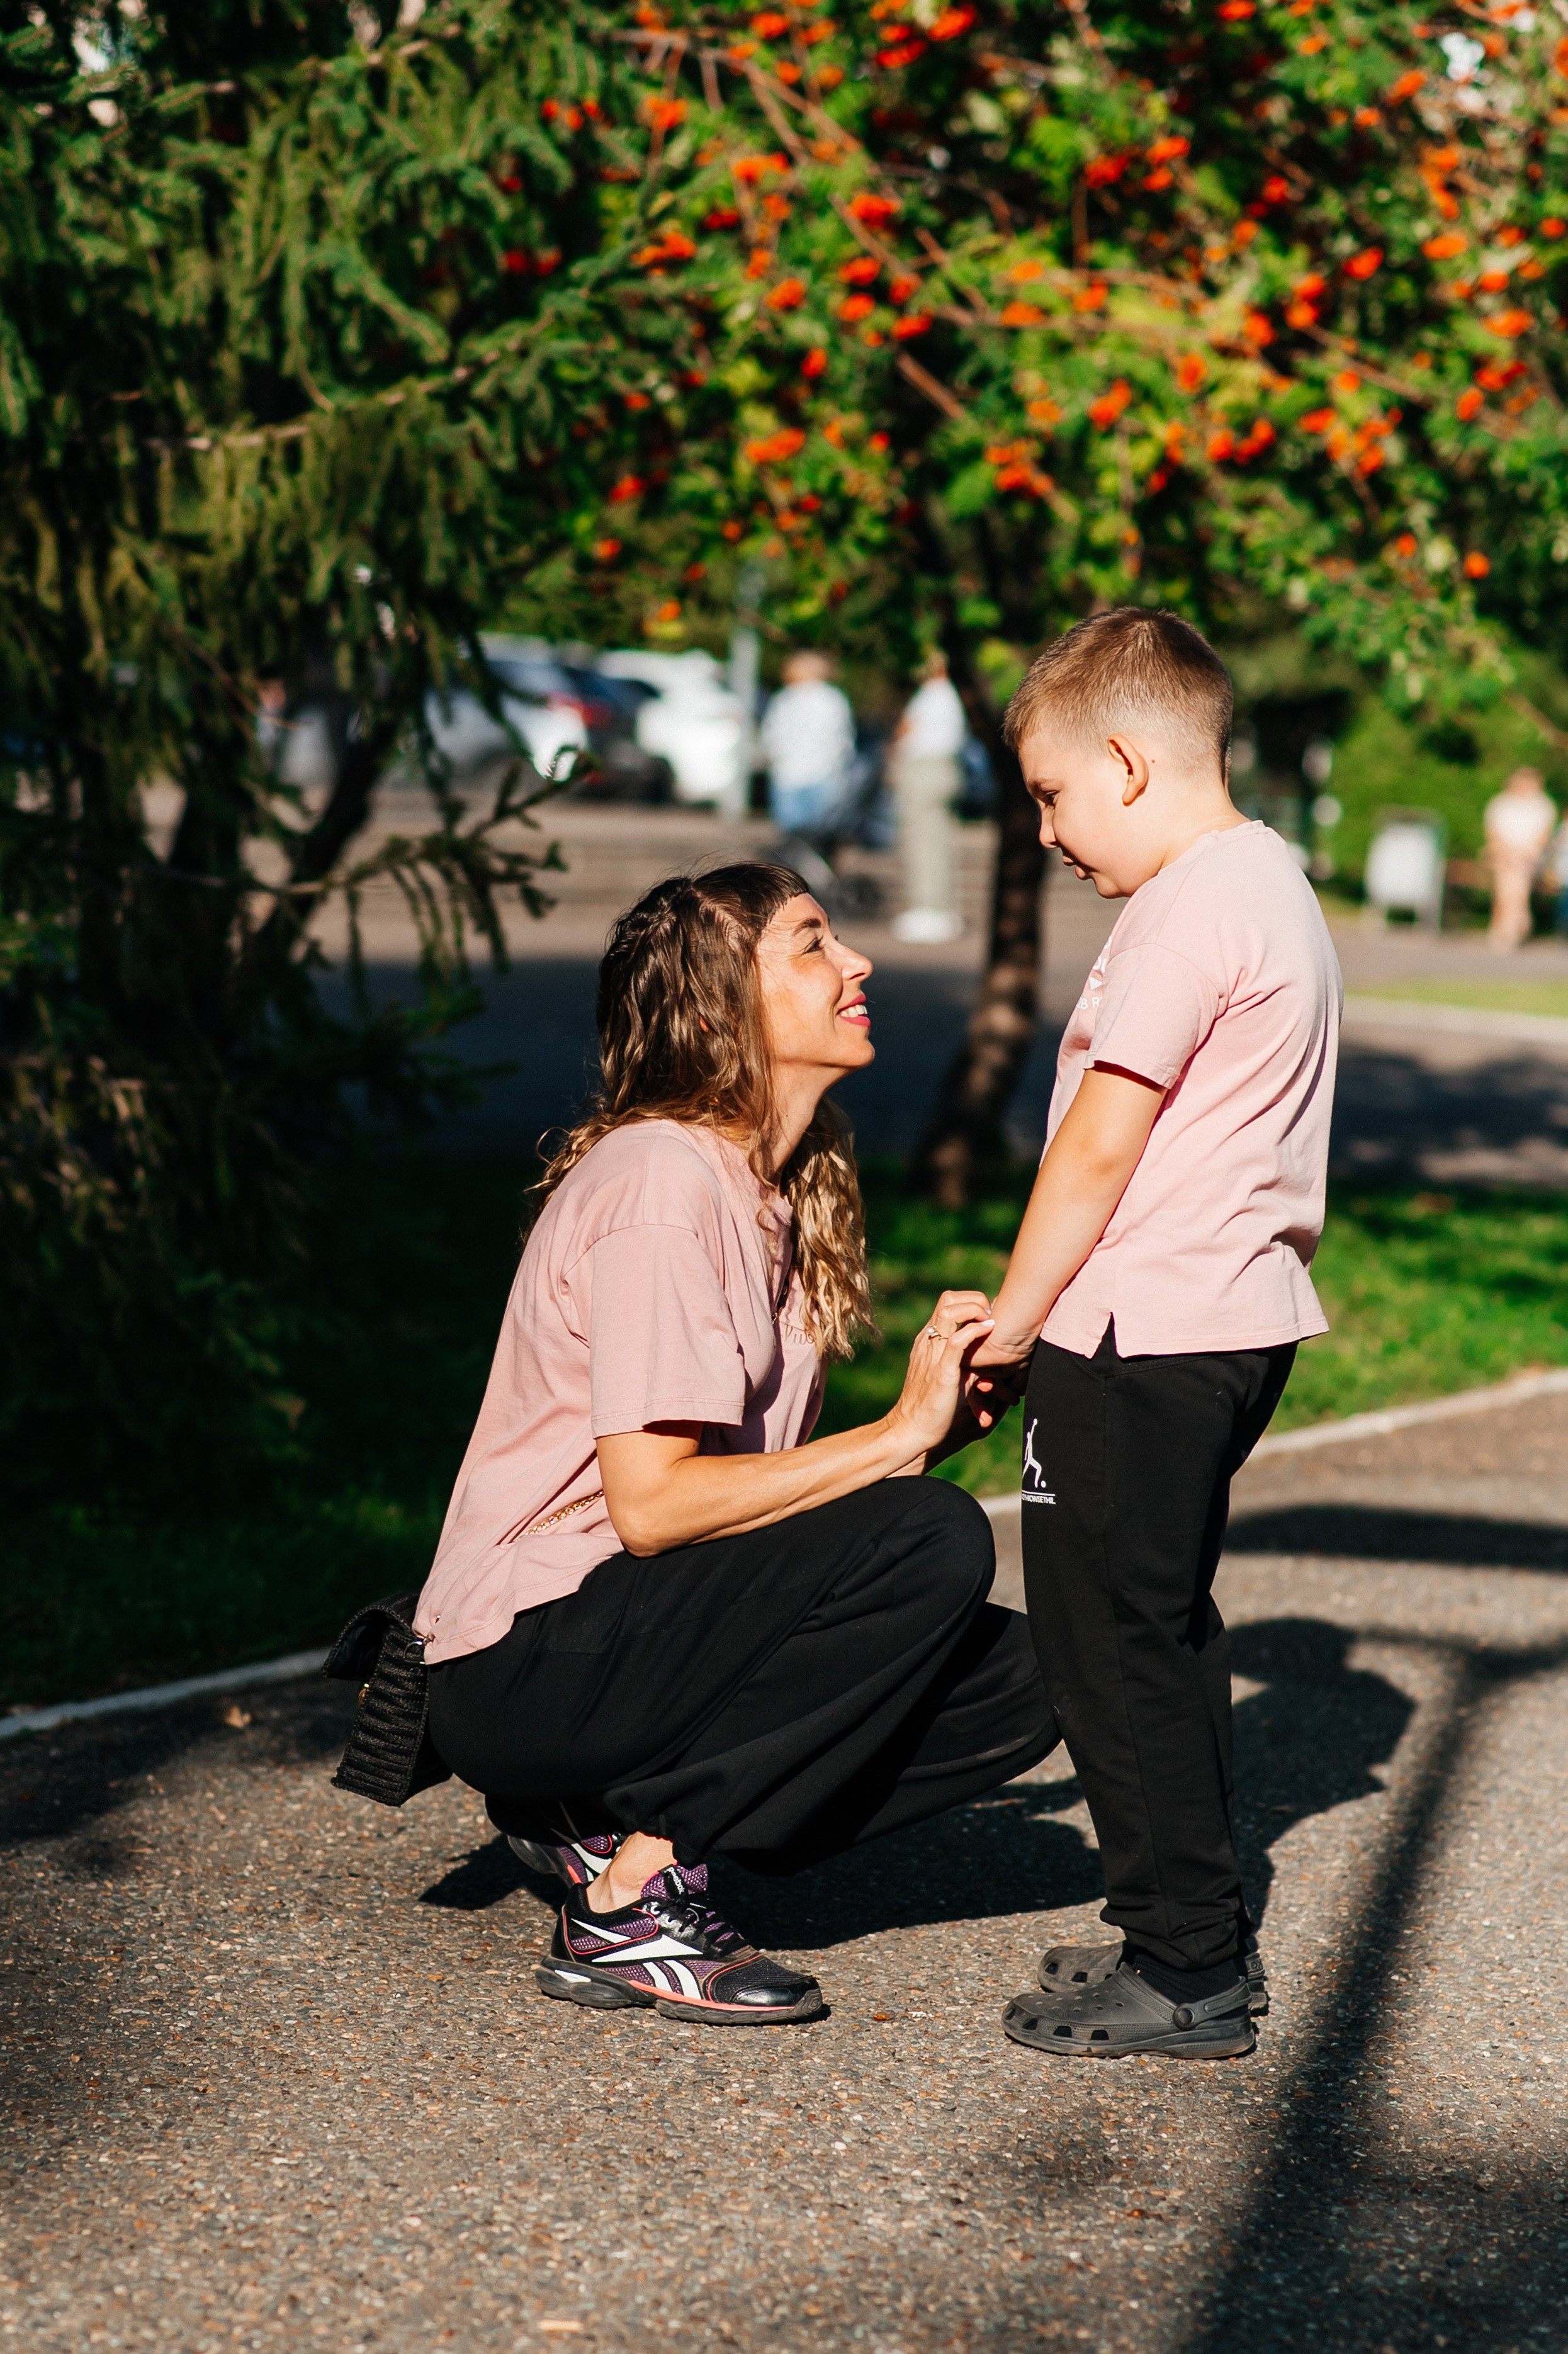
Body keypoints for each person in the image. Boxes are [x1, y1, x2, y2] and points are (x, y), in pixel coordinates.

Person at [415, 863, 1059, 2027]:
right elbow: (656, 1507)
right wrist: (891, 1444)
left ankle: (592, 1814)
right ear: (718, 1012)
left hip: (625, 1636)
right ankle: (631, 1895)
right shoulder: (665, 1181)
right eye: (811, 944)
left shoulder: (777, 1185)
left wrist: (925, 1439)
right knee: (930, 1541)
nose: (854, 963)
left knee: (1033, 1678)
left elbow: (765, 1532)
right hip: (521, 1660)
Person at [965, 608, 1341, 2062]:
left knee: (1104, 1639)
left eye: (1053, 794)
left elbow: (1094, 1148)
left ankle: (1187, 1967)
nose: (1050, 832)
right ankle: (1176, 1926)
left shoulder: (1184, 907)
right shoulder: (1269, 884)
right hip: (1225, 1322)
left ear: (1125, 760)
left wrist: (1011, 1319)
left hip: (1138, 1331)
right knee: (1162, 1623)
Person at [889, 651, 967, 946]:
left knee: (923, 842)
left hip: (925, 769)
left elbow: (907, 728)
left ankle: (929, 909)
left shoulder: (933, 694)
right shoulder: (952, 695)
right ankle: (938, 908)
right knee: (937, 841)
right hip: (944, 768)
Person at [760, 650, 856, 835]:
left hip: (788, 773)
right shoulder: (833, 698)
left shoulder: (784, 699)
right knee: (820, 830)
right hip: (823, 772)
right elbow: (842, 737)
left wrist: (774, 757)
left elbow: (771, 735)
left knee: (792, 832)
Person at [1484, 765, 1556, 952]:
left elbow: (1544, 836)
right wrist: (1504, 850)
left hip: (1529, 856)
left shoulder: (1543, 806)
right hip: (1504, 854)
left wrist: (1526, 852)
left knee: (1512, 889)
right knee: (1509, 890)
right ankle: (1516, 921)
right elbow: (1493, 832)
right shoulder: (1501, 803)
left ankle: (1508, 928)